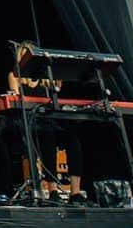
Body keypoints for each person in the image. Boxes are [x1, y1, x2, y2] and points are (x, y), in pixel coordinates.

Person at [7, 46, 86, 203]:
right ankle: (52, 190)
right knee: (47, 139)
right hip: (32, 122)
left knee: (73, 141)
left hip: (50, 120)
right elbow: (16, 100)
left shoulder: (46, 76)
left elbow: (58, 87)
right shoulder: (15, 76)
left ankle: (75, 192)